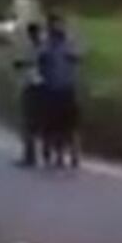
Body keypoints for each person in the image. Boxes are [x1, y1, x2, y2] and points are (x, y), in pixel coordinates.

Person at [37, 13, 81, 168]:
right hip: (51, 89)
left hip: (66, 88)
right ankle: (57, 154)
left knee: (70, 125)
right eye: (54, 25)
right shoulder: (46, 45)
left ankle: (74, 153)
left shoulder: (69, 43)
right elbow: (40, 62)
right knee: (53, 125)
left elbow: (77, 57)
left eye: (59, 24)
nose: (57, 28)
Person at [13, 21, 46, 168]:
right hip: (43, 87)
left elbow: (27, 64)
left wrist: (22, 64)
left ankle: (30, 156)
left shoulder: (36, 49)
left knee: (28, 122)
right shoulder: (43, 47)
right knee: (36, 122)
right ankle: (37, 153)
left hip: (34, 87)